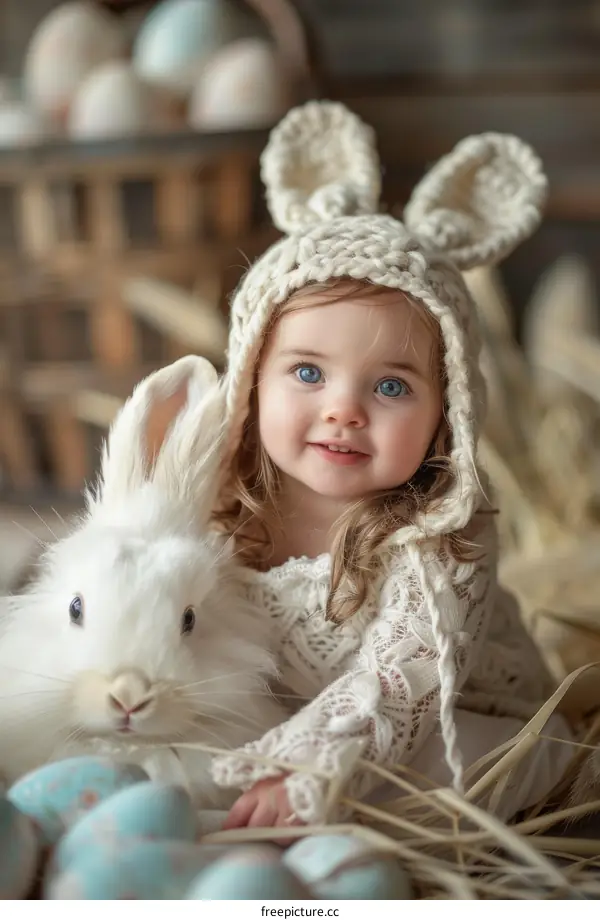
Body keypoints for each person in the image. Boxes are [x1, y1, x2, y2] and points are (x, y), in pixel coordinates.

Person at [209, 101, 574, 830]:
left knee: (465, 766)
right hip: (288, 718)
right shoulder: (222, 504)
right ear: (250, 375)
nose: (344, 410)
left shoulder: (445, 537)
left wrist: (308, 764)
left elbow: (399, 686)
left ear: (448, 413)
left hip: (446, 718)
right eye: (308, 373)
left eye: (390, 387)